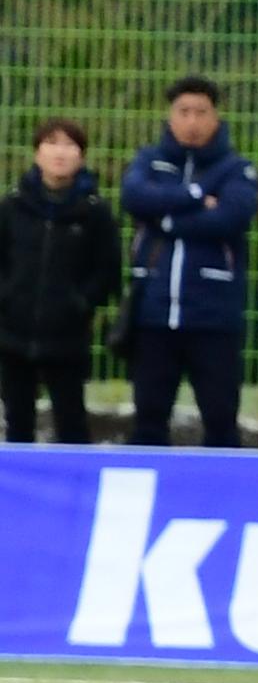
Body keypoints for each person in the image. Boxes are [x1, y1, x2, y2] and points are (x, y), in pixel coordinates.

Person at [119, 74, 258, 447]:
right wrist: (197, 194)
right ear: (170, 117)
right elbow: (135, 197)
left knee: (219, 420)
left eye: (201, 112)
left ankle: (222, 500)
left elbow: (230, 216)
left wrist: (165, 218)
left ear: (216, 117)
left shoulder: (236, 169)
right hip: (154, 315)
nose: (193, 121)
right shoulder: (150, 159)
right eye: (184, 111)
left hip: (213, 319)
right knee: (148, 420)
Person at [3, 118, 120, 444]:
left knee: (71, 422)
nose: (60, 152)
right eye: (52, 142)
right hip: (13, 334)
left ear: (81, 156)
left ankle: (75, 489)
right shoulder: (12, 206)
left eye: (70, 145)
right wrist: (8, 297)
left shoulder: (95, 212)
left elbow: (107, 270)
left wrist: (80, 304)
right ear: (37, 152)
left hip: (68, 336)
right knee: (17, 423)